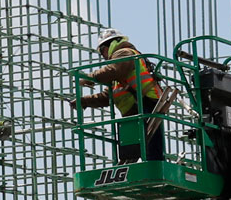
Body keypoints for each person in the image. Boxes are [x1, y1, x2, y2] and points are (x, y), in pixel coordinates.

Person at [70, 28, 164, 163]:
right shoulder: (119, 71)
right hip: (137, 108)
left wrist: (90, 77)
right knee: (136, 146)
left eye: (101, 51)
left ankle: (154, 167)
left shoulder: (124, 53)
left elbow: (113, 70)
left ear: (107, 46)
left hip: (147, 102)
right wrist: (84, 101)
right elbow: (109, 96)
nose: (103, 56)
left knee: (151, 147)